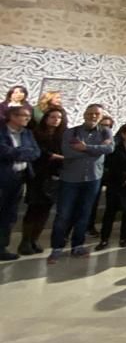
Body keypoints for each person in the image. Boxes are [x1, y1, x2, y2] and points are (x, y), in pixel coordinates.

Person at [48, 104, 113, 263]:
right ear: (84, 114)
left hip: (93, 179)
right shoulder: (72, 132)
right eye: (90, 113)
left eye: (96, 114)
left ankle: (78, 246)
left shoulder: (106, 131)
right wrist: (96, 150)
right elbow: (68, 152)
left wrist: (84, 147)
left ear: (101, 116)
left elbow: (110, 148)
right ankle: (57, 247)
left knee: (84, 213)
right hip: (70, 179)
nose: (93, 116)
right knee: (63, 214)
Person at [19, 106, 65, 255]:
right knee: (33, 208)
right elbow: (38, 153)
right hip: (38, 175)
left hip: (55, 176)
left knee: (45, 209)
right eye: (52, 117)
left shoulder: (63, 136)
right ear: (46, 118)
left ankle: (34, 239)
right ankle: (25, 241)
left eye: (58, 117)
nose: (55, 120)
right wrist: (54, 157)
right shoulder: (35, 133)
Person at [0, 105, 40, 260]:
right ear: (12, 117)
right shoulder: (2, 132)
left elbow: (35, 152)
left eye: (29, 116)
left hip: (19, 179)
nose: (27, 119)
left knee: (9, 215)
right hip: (3, 178)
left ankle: (2, 247)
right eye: (24, 116)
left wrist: (18, 153)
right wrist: (23, 152)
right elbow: (3, 151)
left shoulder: (28, 133)